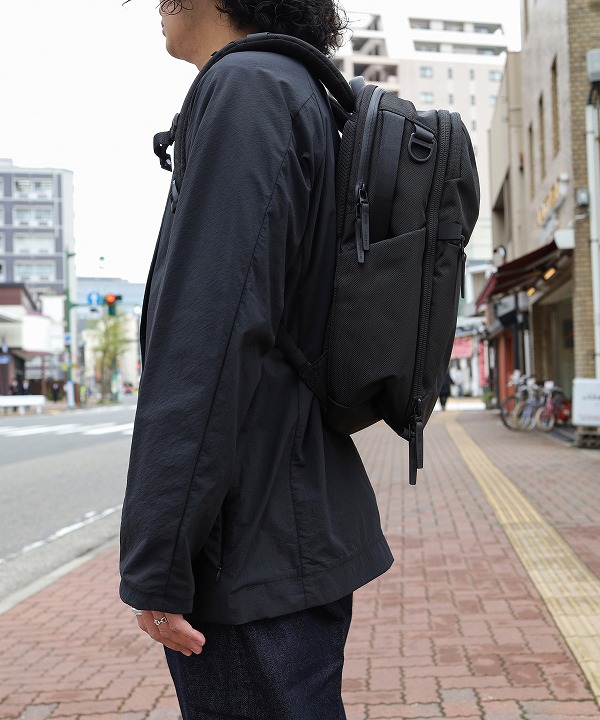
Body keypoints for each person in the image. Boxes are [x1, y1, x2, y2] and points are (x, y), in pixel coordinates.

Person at [119, 2, 393, 718]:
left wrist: (157, 564)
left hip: (250, 543)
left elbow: (206, 342)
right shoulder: (295, 88)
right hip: (287, 515)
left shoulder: (246, 90)